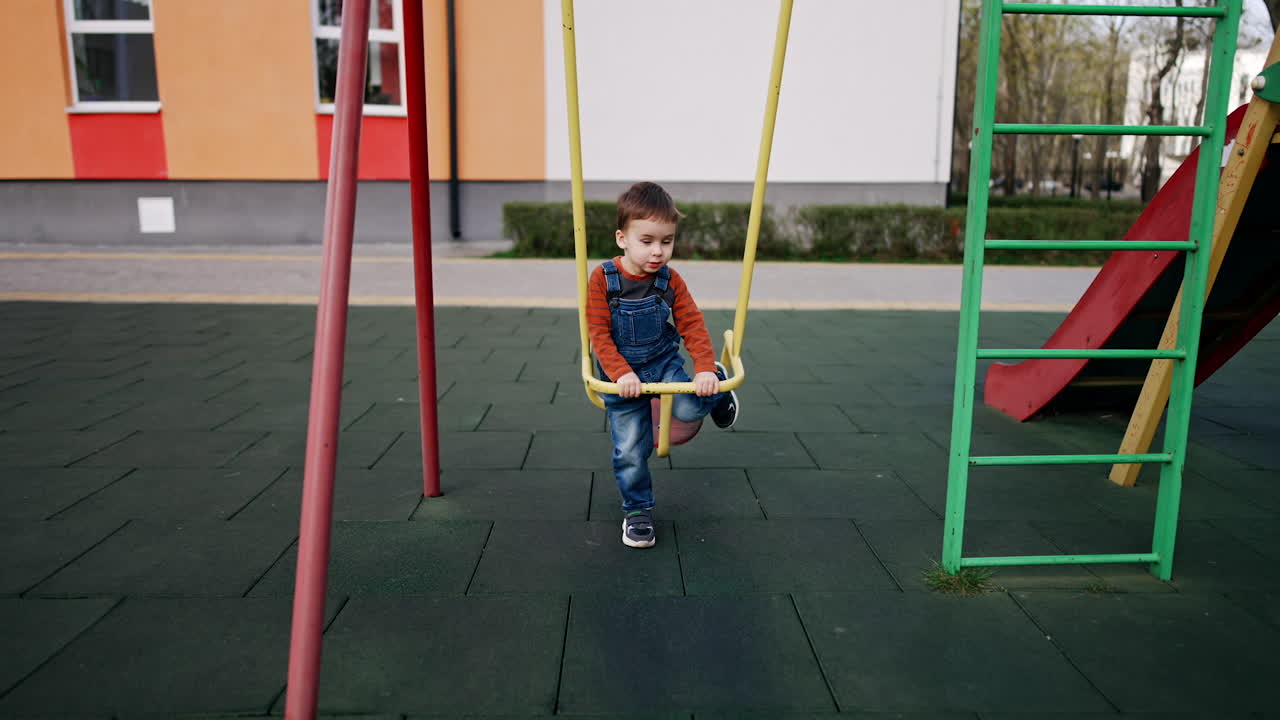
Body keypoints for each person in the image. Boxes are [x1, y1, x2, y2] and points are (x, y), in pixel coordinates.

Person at [587, 181, 739, 548]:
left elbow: (691, 323)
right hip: (620, 374)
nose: (658, 252)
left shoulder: (670, 280)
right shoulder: (603, 280)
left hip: (661, 362)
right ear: (622, 238)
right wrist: (621, 373)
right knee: (629, 448)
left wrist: (704, 366)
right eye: (647, 241)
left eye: (667, 241)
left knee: (689, 403)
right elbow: (598, 333)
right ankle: (637, 512)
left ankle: (716, 390)